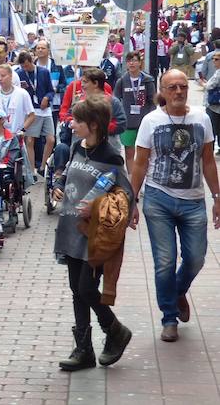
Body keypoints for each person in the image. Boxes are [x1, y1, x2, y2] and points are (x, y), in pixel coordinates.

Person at [130, 69, 220, 343]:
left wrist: (217, 197)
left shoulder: (201, 118)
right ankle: (169, 318)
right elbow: (140, 164)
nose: (179, 91)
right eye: (173, 87)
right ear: (163, 91)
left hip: (193, 201)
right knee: (165, 261)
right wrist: (132, 200)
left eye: (183, 86)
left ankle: (177, 291)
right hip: (158, 199)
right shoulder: (151, 121)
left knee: (196, 258)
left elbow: (208, 161)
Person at [52, 98, 134, 371]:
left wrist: (98, 205)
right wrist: (58, 184)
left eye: (77, 121)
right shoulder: (77, 147)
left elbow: (125, 195)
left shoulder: (111, 157)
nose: (72, 124)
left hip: (94, 235)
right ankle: (84, 351)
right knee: (77, 290)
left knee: (87, 288)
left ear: (94, 124)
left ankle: (115, 330)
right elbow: (66, 174)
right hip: (70, 230)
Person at [15, 51, 56, 177]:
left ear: (31, 61)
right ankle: (31, 169)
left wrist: (47, 98)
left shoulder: (43, 72)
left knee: (50, 139)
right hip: (31, 110)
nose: (25, 68)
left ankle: (43, 166)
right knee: (29, 140)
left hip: (45, 110)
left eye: (27, 65)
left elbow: (51, 91)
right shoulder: (19, 73)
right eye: (23, 66)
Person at [114, 52, 156, 170]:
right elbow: (116, 100)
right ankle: (132, 177)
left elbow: (153, 101)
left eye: (134, 60)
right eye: (129, 61)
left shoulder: (147, 80)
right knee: (129, 153)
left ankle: (145, 176)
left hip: (144, 122)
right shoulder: (122, 81)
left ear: (140, 63)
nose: (131, 63)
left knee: (145, 153)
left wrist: (151, 118)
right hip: (128, 123)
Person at [204, 55, 220, 153]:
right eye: (213, 59)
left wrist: (203, 84)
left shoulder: (218, 73)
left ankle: (210, 149)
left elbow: (210, 86)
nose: (214, 61)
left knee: (212, 128)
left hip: (214, 105)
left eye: (216, 59)